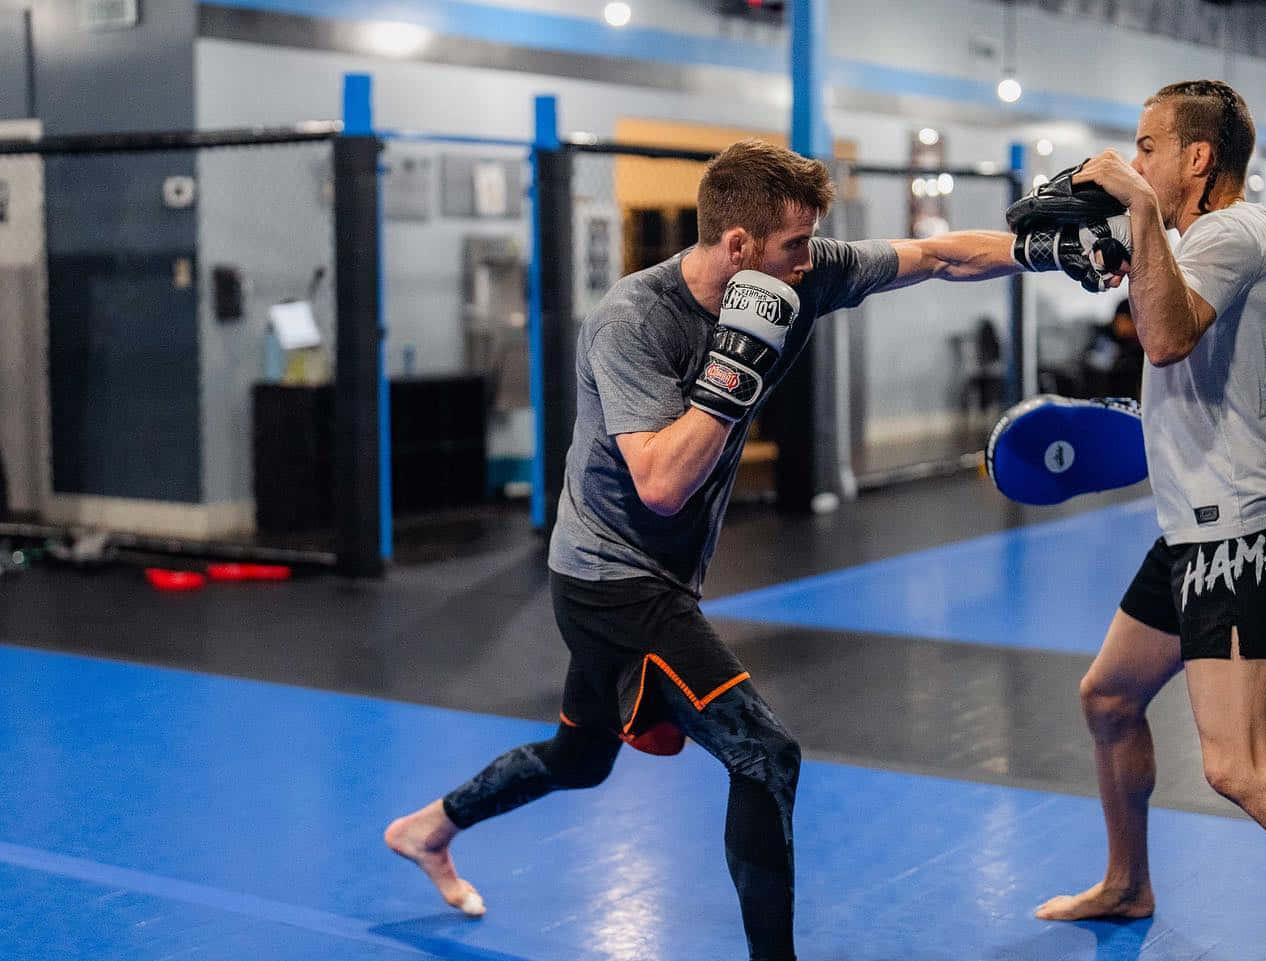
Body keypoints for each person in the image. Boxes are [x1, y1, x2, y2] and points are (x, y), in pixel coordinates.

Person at [383, 139, 1113, 961]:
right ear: (739, 246)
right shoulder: (635, 320)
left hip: (656, 575)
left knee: (580, 758)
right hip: (611, 580)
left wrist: (1045, 252)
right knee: (766, 756)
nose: (810, 263)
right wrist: (731, 375)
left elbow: (938, 255)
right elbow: (659, 482)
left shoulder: (800, 273)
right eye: (793, 246)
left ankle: (427, 828)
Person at [1033, 80, 1266, 961]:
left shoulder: (1233, 232)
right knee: (1110, 696)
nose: (1137, 161)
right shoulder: (1196, 238)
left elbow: (1164, 339)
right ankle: (1128, 884)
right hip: (1194, 532)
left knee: (1243, 767)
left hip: (1245, 533)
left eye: (1149, 146)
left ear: (1198, 158)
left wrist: (1135, 211)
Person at [1081, 298, 1143, 399]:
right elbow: (1098, 365)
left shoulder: (1135, 344)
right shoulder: (1105, 338)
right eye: (1128, 320)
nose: (1133, 326)